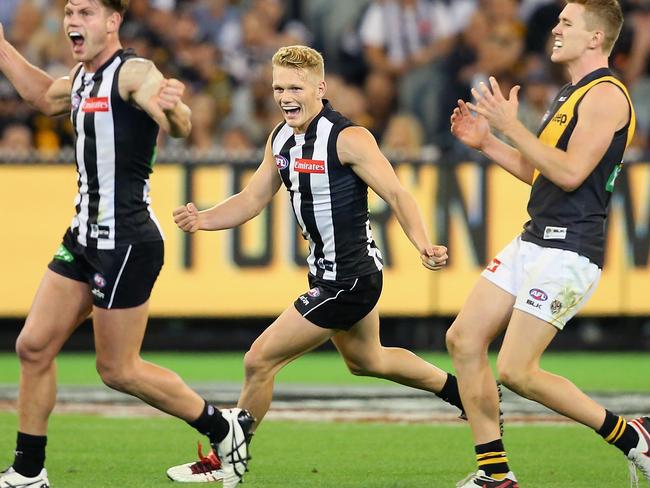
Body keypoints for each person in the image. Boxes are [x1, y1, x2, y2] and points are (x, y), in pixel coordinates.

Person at [166, 44, 465, 483]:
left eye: (295, 87)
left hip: (348, 279)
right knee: (368, 361)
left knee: (258, 360)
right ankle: (467, 394)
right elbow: (252, 199)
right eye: (278, 87)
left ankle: (227, 464)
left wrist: (423, 243)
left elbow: (398, 193)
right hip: (332, 273)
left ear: (320, 88)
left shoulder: (348, 138)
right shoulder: (280, 138)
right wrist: (203, 219)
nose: (285, 96)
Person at [0, 2, 252, 488]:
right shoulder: (78, 78)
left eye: (87, 11)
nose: (74, 19)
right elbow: (40, 95)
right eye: (70, 10)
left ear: (113, 21)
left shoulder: (132, 71)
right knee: (33, 346)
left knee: (118, 370)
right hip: (84, 237)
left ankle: (224, 428)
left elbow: (175, 118)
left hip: (126, 243)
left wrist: (174, 109)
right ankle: (29, 472)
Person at [447, 1, 649, 486]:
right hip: (535, 239)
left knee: (517, 370)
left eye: (566, 22)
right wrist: (490, 142)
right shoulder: (570, 93)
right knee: (463, 338)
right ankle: (495, 474)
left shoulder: (606, 96)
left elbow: (572, 172)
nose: (554, 28)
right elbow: (542, 174)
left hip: (570, 249)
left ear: (596, 38)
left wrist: (511, 126)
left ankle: (632, 434)